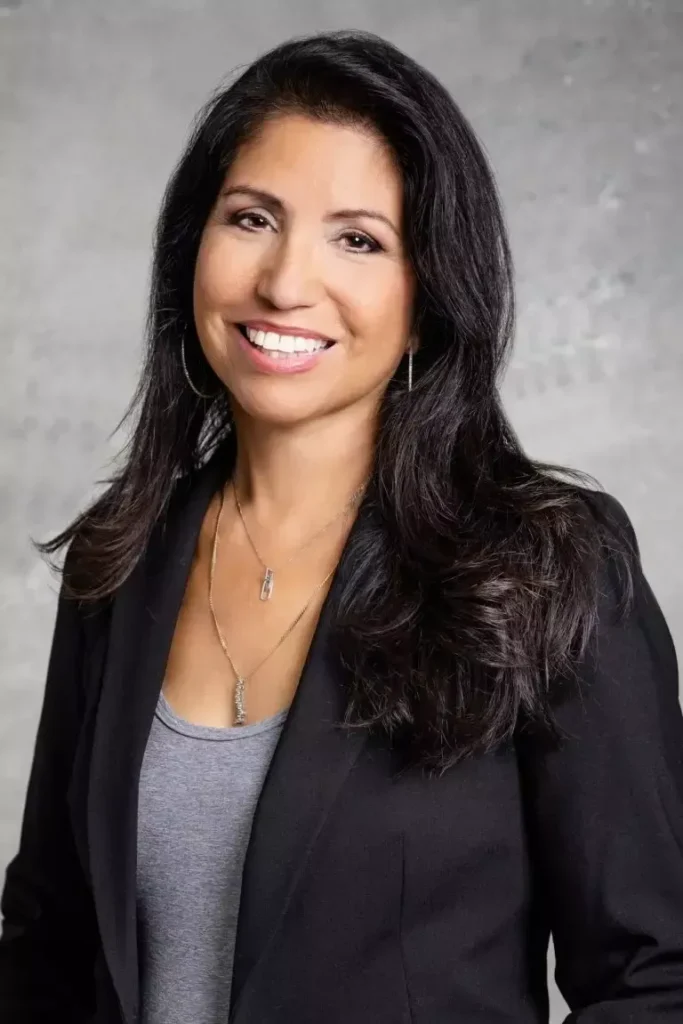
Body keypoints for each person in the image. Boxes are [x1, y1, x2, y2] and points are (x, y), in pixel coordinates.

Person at [1, 27, 682, 1024]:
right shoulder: (121, 559)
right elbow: (46, 945)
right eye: (251, 218)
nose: (283, 282)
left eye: (356, 238)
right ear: (193, 245)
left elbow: (656, 978)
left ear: (425, 297)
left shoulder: (545, 566)